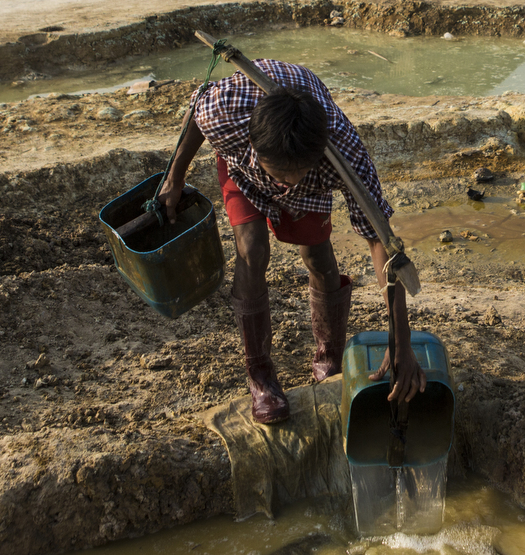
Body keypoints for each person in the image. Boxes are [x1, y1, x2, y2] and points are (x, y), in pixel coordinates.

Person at [159, 59, 425, 424]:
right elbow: (196, 113)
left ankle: (328, 358)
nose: (285, 183)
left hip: (312, 184)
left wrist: (401, 342)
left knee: (317, 255)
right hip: (245, 172)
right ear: (253, 141)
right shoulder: (225, 112)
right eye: (280, 174)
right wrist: (175, 175)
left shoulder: (344, 155)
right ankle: (262, 378)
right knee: (252, 249)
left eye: (294, 173)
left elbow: (382, 242)